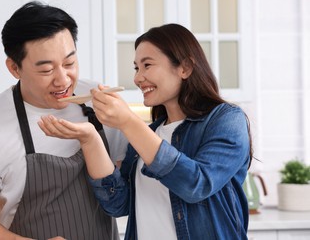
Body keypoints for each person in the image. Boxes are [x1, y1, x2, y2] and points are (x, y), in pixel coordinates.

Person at [38, 23, 253, 239]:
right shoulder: (149, 133)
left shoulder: (226, 120)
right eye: (136, 68)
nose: (137, 78)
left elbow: (196, 185)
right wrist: (90, 138)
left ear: (185, 68)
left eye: (147, 65)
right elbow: (118, 204)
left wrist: (128, 122)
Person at [0, 1, 127, 240]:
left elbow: (131, 184)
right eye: (46, 70)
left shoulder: (100, 103)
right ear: (14, 68)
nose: (63, 80)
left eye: (69, 63)